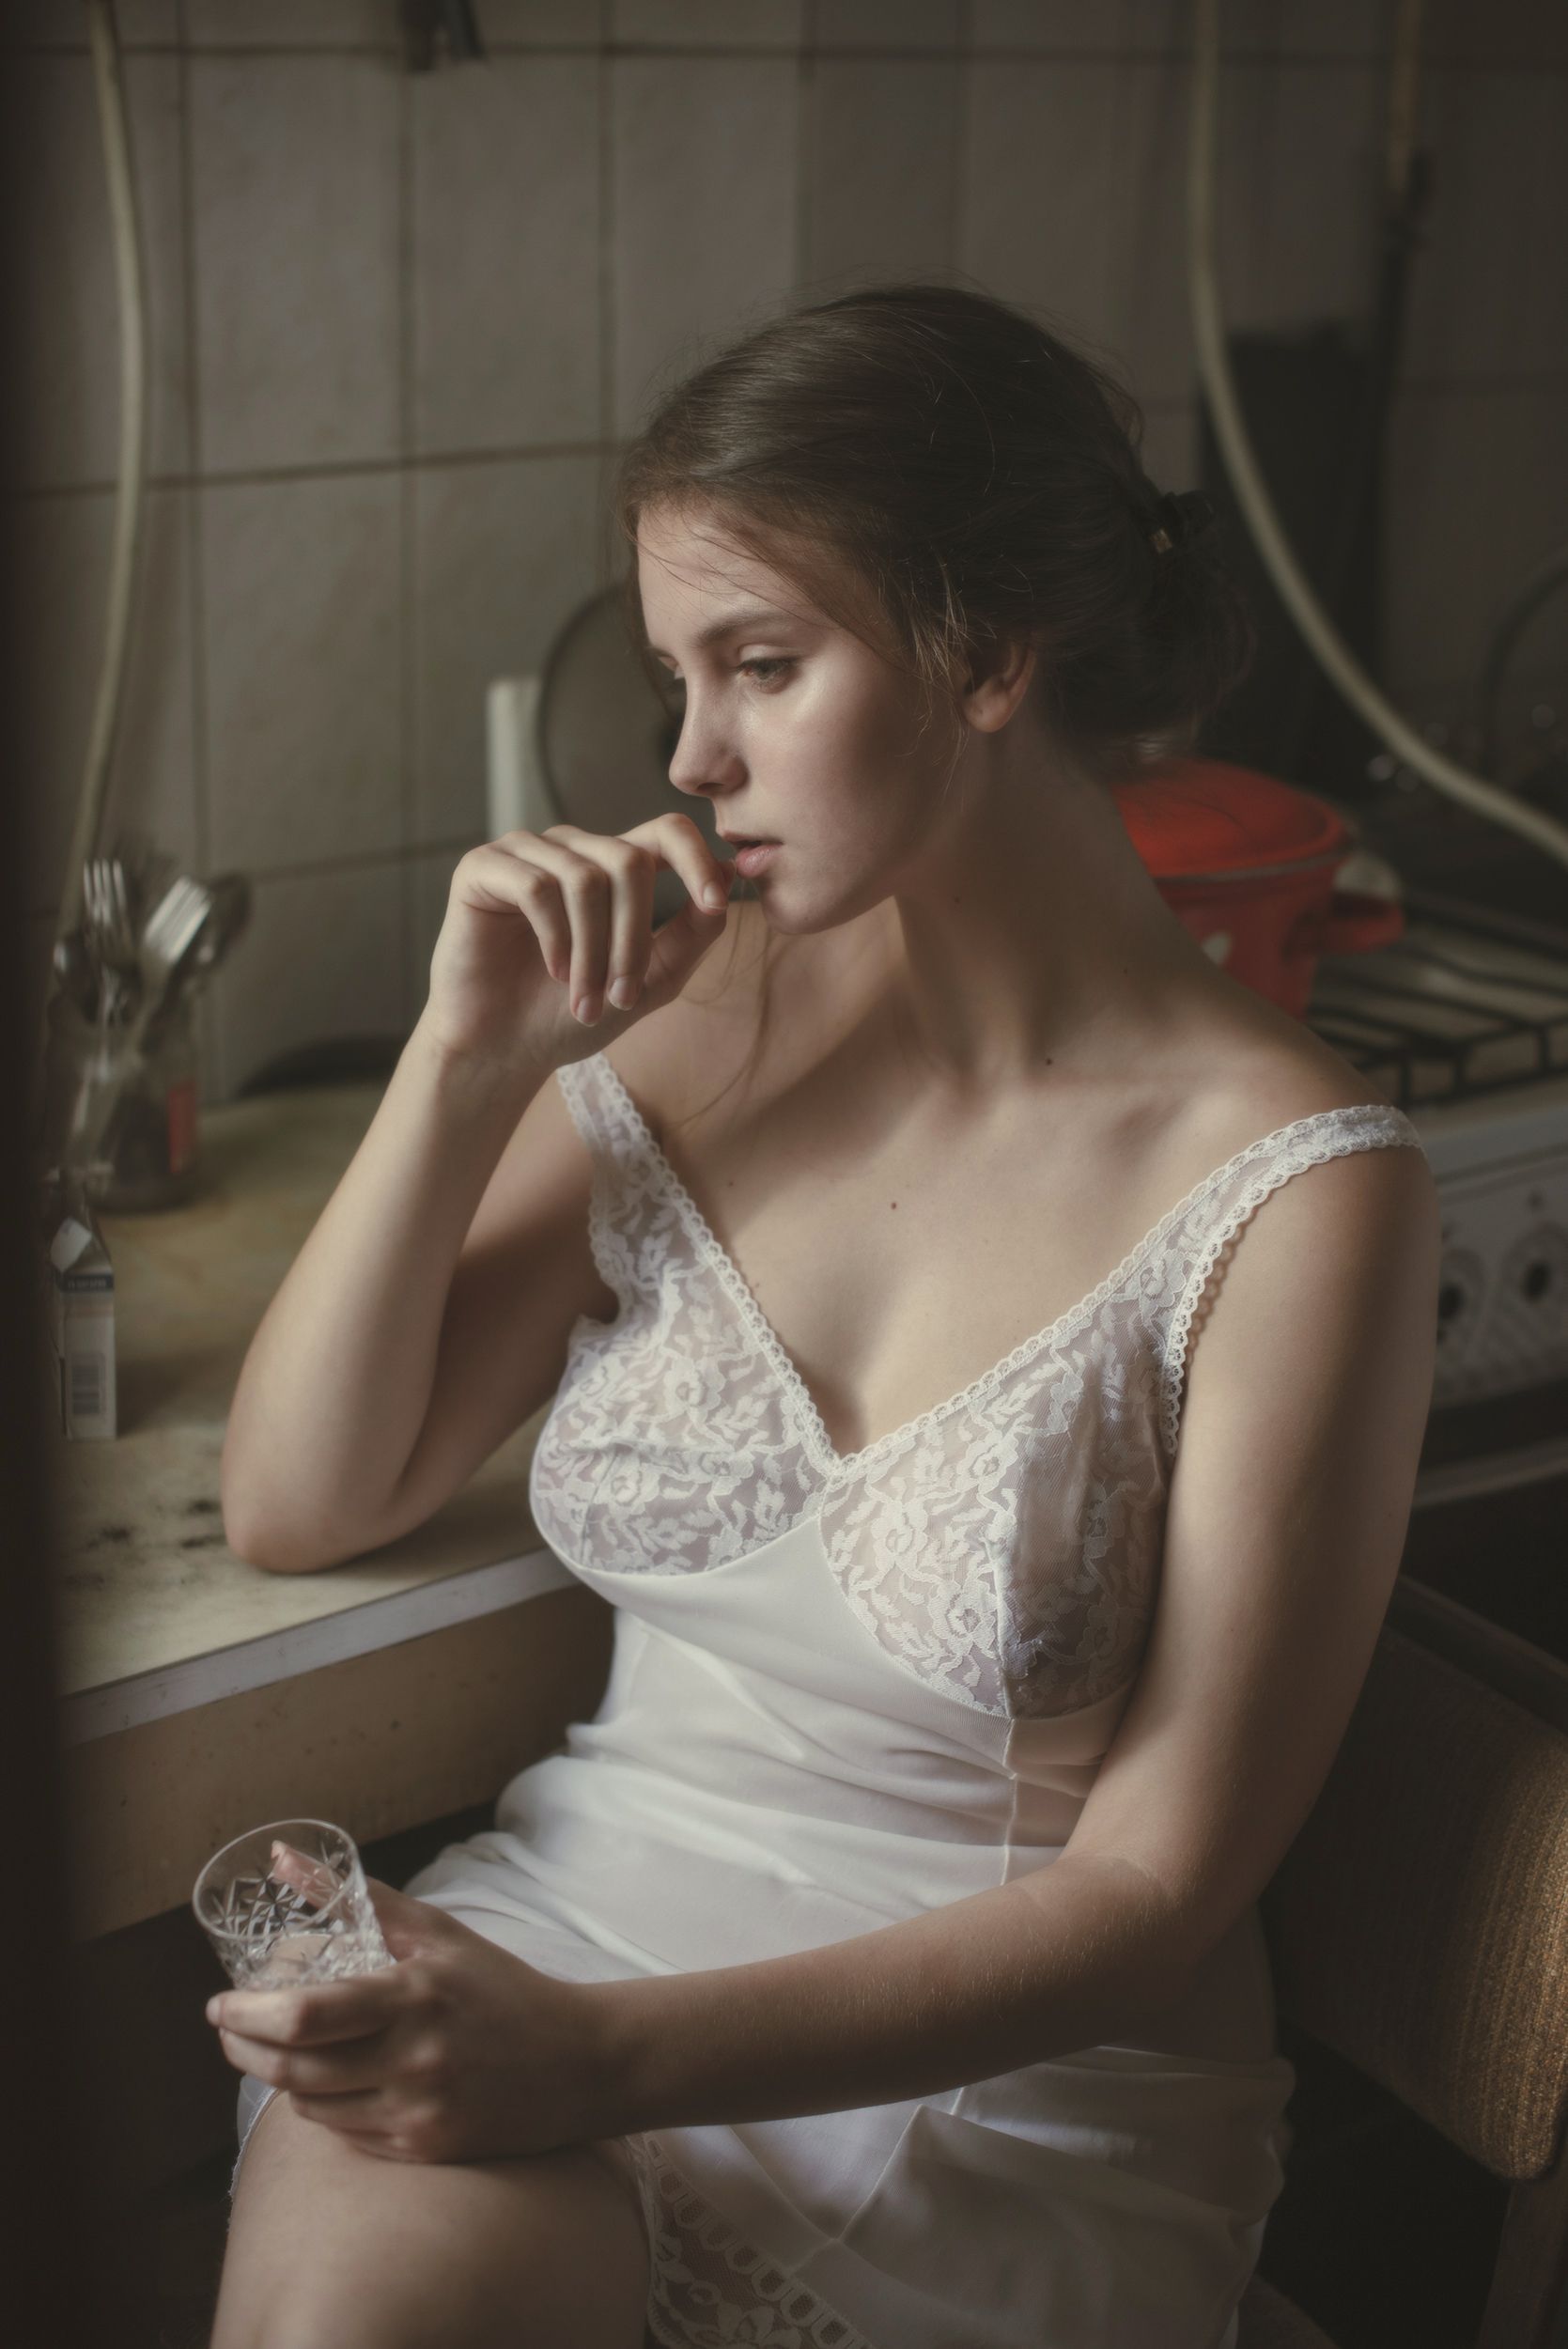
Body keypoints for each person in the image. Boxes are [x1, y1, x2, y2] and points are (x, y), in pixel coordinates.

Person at [209, 283, 1440, 2349]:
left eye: (762, 667)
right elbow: (304, 1496)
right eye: (677, 680)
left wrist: (595, 2059)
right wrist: (462, 1062)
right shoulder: (692, 1021)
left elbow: (1152, 1897)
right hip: (573, 1935)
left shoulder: (1299, 1192)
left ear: (987, 654)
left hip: (1008, 2095)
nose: (691, 759)